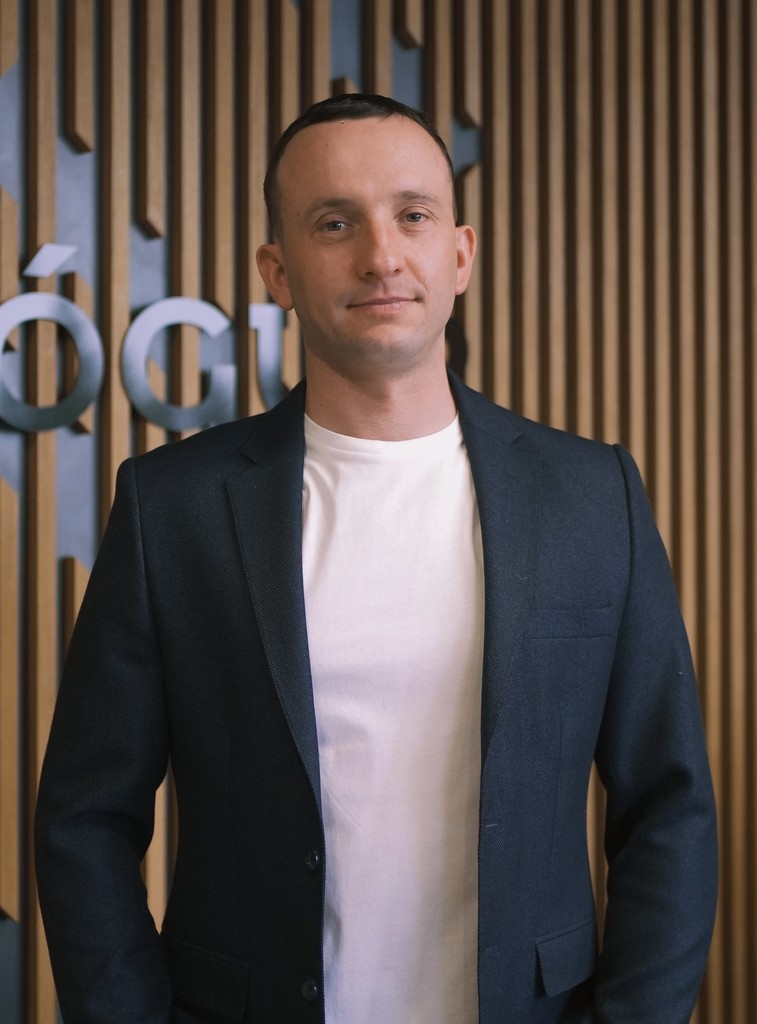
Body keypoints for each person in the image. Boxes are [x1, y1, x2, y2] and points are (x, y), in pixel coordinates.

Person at [35, 93, 717, 1024]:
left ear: (460, 253)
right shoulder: (173, 510)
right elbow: (86, 820)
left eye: (412, 215)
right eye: (333, 222)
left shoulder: (592, 497)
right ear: (277, 270)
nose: (381, 255)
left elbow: (669, 807)